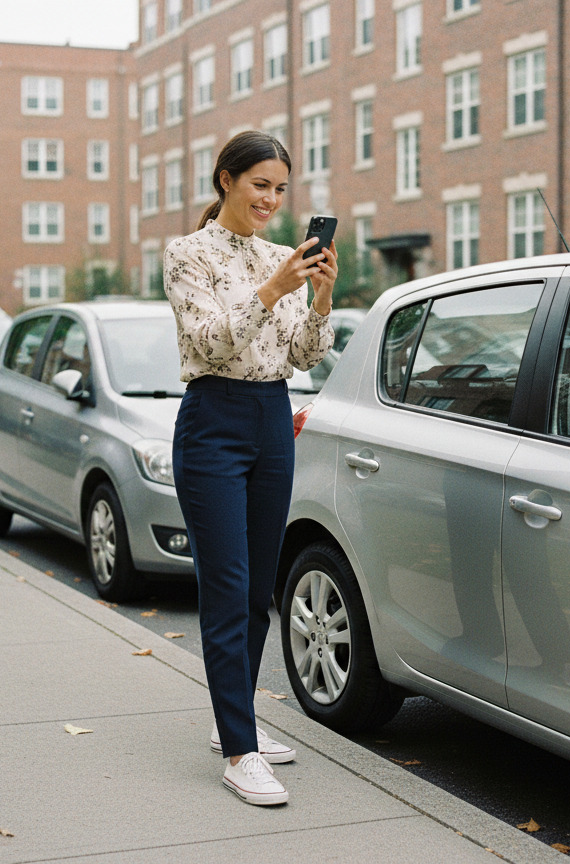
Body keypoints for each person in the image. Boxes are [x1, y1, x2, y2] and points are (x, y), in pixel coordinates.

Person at [163, 131, 336, 807]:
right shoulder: (188, 253)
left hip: (272, 417)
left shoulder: (280, 258)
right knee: (227, 585)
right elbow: (208, 340)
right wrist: (272, 287)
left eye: (281, 188)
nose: (270, 199)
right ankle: (240, 751)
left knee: (259, 583)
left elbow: (301, 355)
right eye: (260, 184)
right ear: (227, 180)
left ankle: (231, 714)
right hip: (213, 421)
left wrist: (319, 296)